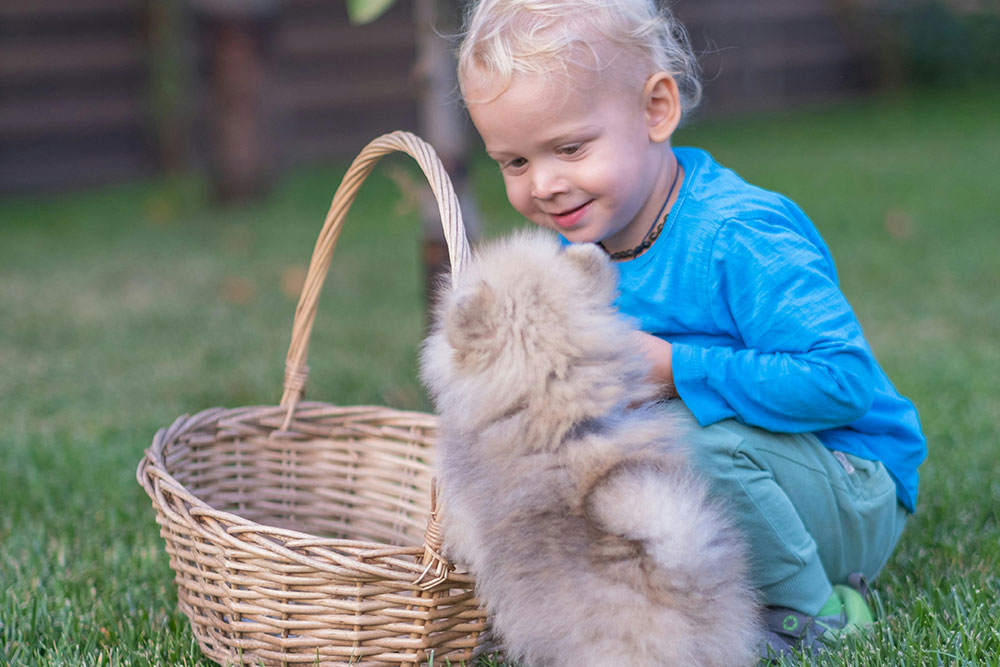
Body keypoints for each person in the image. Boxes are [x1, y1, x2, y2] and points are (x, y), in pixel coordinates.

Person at [456, 0, 927, 660]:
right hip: (741, 476)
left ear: (655, 110)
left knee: (692, 445)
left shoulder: (736, 235)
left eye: (569, 148)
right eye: (513, 162)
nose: (545, 185)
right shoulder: (576, 254)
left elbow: (842, 382)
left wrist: (675, 368)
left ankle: (812, 612)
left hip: (848, 484)